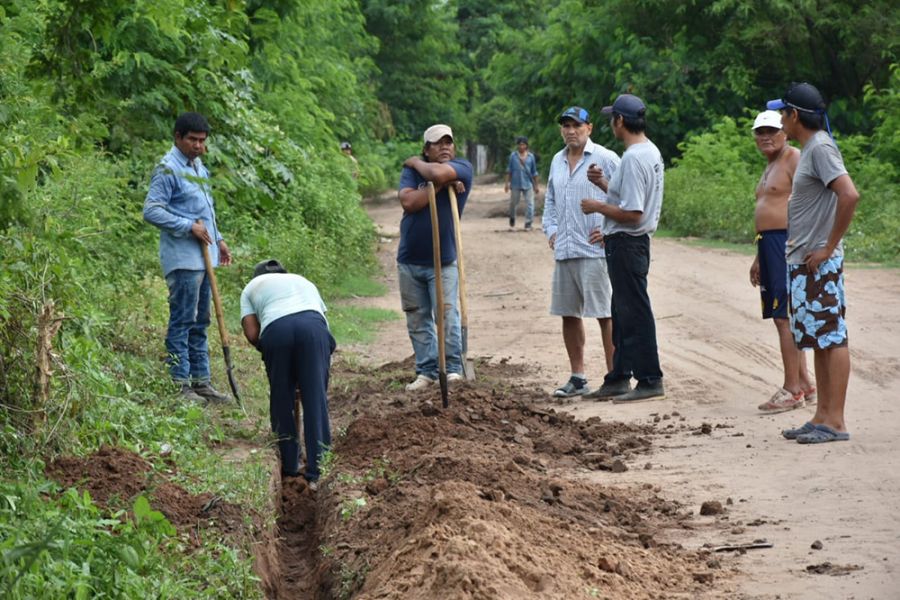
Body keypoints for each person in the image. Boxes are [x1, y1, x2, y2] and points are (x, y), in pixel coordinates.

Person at [767, 82, 860, 444]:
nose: (779, 120)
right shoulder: (809, 148)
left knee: (832, 337)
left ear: (794, 115)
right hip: (806, 261)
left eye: (782, 113)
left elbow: (849, 194)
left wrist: (827, 246)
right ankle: (822, 416)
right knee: (818, 338)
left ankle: (835, 421)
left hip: (818, 261)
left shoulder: (819, 148)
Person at [144, 112, 232, 404]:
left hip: (205, 258)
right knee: (182, 321)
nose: (198, 146)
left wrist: (218, 240)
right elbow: (152, 210)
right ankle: (180, 385)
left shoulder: (198, 166)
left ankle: (201, 382)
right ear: (178, 137)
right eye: (192, 140)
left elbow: (206, 211)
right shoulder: (167, 169)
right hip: (183, 260)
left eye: (202, 141)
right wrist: (188, 227)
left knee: (201, 321)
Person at [581, 94, 665, 403]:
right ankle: (619, 376)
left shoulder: (632, 158)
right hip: (632, 244)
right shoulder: (649, 151)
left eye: (611, 119)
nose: (611, 125)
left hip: (628, 243)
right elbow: (632, 199)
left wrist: (597, 206)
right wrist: (605, 184)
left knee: (635, 312)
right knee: (622, 310)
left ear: (620, 121)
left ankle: (649, 378)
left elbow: (633, 214)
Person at [542, 106, 618, 398]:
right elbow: (550, 201)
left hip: (595, 250)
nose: (570, 130)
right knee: (568, 313)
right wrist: (551, 230)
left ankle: (614, 377)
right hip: (566, 249)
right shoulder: (557, 161)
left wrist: (610, 229)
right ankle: (578, 376)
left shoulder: (607, 158)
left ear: (589, 128)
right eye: (565, 125)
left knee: (605, 314)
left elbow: (625, 197)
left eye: (576, 125)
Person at [240, 259, 335, 481]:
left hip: (277, 330)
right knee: (315, 400)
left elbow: (252, 333)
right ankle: (317, 472)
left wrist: (273, 356)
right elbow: (323, 324)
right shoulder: (303, 281)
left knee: (281, 399)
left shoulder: (251, 287)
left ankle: (290, 465)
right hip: (314, 330)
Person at [397, 124, 474, 391]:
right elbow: (409, 203)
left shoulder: (463, 167)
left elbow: (435, 173)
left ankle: (453, 368)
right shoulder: (410, 173)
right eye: (437, 143)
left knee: (446, 315)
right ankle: (427, 370)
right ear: (427, 148)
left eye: (448, 142)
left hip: (443, 261)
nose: (445, 147)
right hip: (409, 260)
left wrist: (423, 167)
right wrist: (440, 186)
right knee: (417, 318)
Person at [748, 110, 816, 413]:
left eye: (771, 131)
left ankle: (792, 389)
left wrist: (799, 242)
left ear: (784, 132)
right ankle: (804, 381)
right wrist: (758, 255)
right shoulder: (771, 164)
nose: (765, 137)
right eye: (760, 132)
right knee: (782, 313)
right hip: (768, 243)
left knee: (783, 315)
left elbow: (809, 199)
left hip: (785, 242)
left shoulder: (793, 158)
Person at [504, 136, 540, 231]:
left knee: (530, 204)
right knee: (513, 203)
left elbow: (534, 172)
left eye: (523, 144)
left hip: (528, 184)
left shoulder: (531, 157)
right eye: (519, 144)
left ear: (526, 145)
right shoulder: (513, 156)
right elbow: (509, 170)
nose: (521, 146)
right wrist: (507, 184)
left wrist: (536, 186)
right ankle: (512, 218)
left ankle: (528, 223)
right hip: (515, 183)